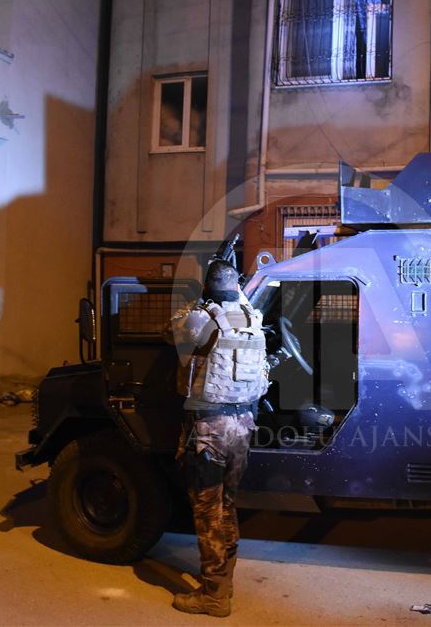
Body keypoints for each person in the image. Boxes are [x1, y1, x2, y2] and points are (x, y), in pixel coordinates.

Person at [166, 259, 268, 618]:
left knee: (208, 511)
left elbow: (170, 331)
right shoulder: (251, 317)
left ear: (208, 287)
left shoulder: (200, 319)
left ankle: (214, 596)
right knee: (227, 505)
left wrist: (197, 300)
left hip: (210, 431)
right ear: (236, 286)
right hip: (243, 426)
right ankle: (225, 582)